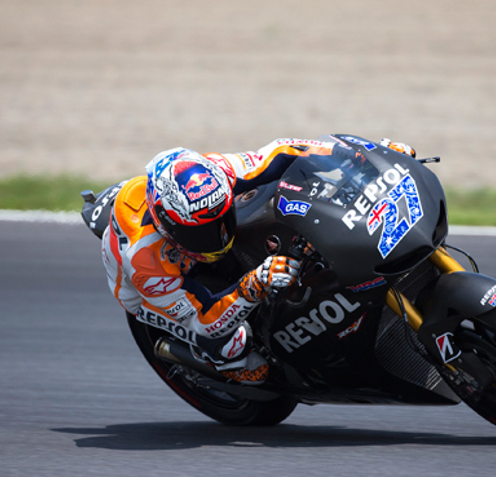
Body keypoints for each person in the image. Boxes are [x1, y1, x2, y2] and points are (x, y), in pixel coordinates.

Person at [101, 136, 416, 384]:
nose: (216, 237)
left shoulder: (218, 172)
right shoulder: (144, 263)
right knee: (236, 348)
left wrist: (364, 157)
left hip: (182, 246)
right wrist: (252, 285)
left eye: (219, 221)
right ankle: (225, 364)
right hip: (149, 295)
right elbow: (203, 319)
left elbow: (284, 151)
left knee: (271, 204)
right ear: (166, 225)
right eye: (200, 233)